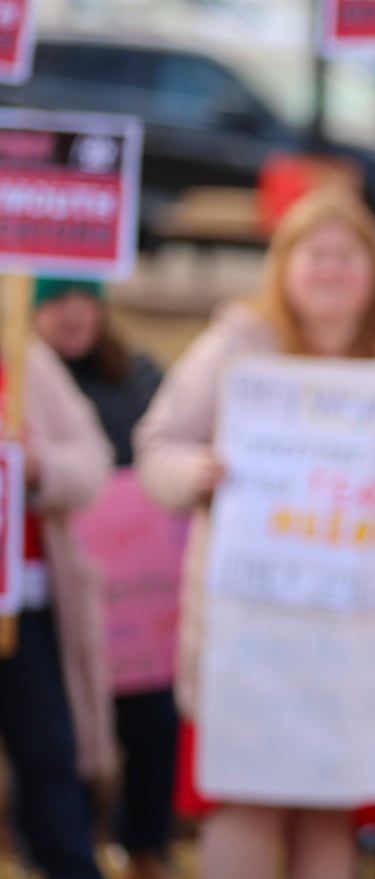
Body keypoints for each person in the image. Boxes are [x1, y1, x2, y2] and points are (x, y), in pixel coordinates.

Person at [133, 188, 375, 879]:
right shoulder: (238, 343)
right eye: (314, 254)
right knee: (245, 804)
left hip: (361, 641)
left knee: (330, 809)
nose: (331, 269)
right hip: (249, 636)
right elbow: (156, 445)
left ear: (374, 270)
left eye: (347, 255)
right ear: (284, 265)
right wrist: (192, 470)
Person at [31, 278, 176, 879]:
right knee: (58, 731)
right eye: (52, 300)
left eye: (79, 297)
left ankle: (142, 846)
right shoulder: (32, 375)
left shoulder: (139, 376)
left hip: (141, 598)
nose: (70, 313)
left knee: (149, 720)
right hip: (62, 590)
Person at [0, 329, 114, 879]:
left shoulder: (24, 358)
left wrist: (39, 463)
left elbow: (93, 459)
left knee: (49, 757)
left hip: (25, 606)